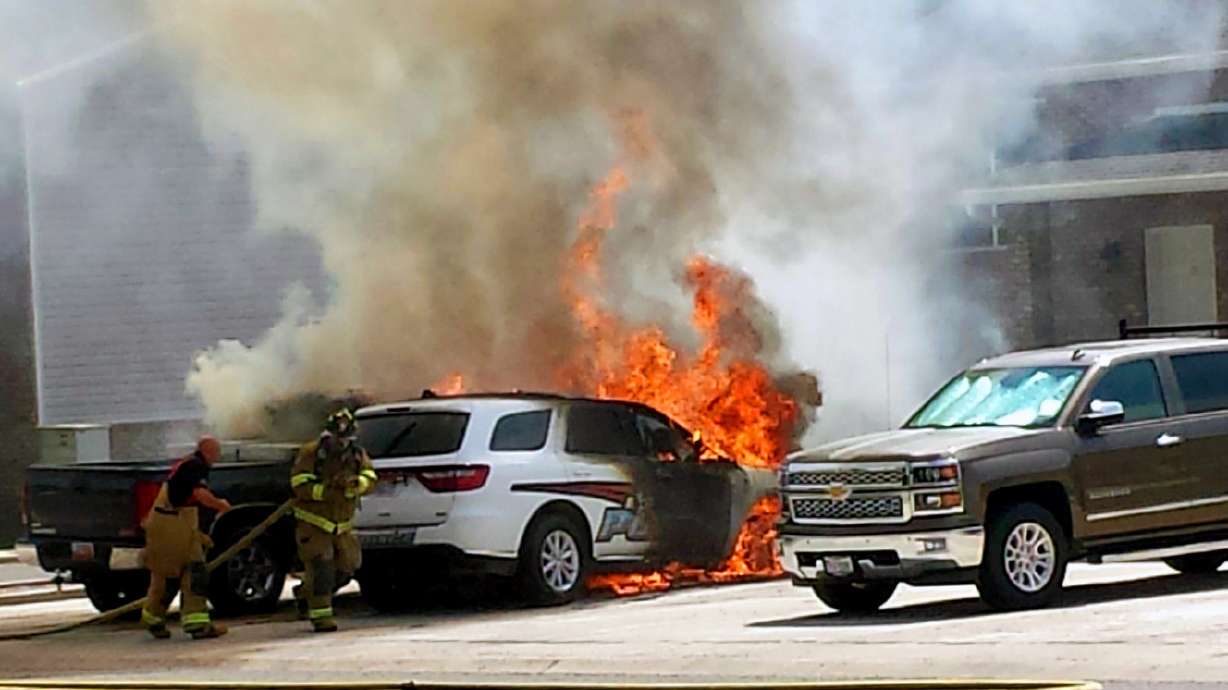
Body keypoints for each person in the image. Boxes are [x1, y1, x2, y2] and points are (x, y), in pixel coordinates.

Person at [290, 409, 378, 632]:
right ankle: (321, 617)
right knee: (322, 568)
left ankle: (304, 594)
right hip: (314, 522)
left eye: (345, 439)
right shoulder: (311, 453)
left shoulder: (357, 454)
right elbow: (299, 484)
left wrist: (358, 484)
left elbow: (371, 476)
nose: (341, 443)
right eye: (337, 438)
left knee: (347, 568)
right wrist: (327, 492)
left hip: (343, 524)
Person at [141, 436, 232, 640]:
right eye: (216, 453)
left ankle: (153, 619)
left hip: (165, 522)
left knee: (165, 574)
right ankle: (197, 624)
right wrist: (221, 505)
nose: (217, 457)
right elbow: (200, 495)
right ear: (207, 451)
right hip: (174, 522)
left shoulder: (187, 463)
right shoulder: (197, 466)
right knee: (195, 570)